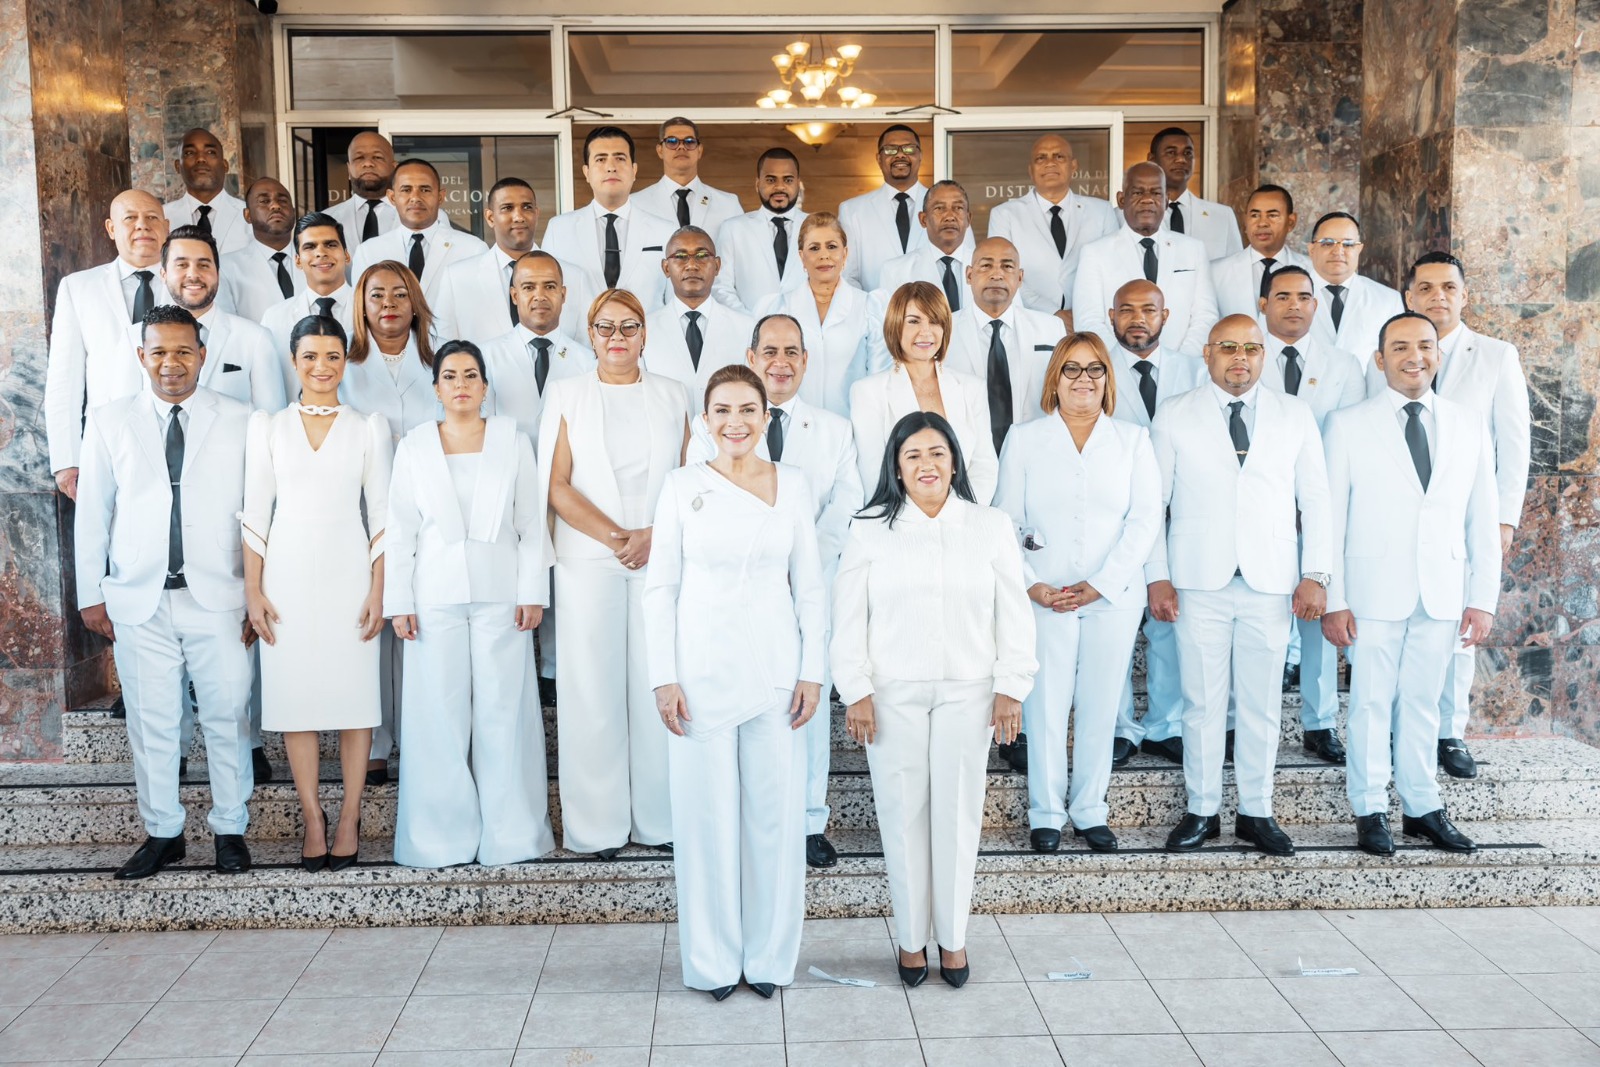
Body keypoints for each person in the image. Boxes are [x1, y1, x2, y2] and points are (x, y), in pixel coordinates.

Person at [833, 410, 1036, 989]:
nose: (927, 465)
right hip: (891, 693)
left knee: (957, 815)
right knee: (902, 816)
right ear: (896, 467)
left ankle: (953, 937)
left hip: (969, 692)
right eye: (913, 455)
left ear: (954, 462)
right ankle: (909, 939)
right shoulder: (869, 528)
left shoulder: (989, 525)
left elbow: (1013, 611)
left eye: (937, 453)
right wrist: (856, 690)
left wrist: (1011, 686)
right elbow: (848, 617)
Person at [646, 363, 826, 1000]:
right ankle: (713, 963)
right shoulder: (680, 486)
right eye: (722, 410)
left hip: (777, 673)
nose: (735, 422)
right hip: (699, 674)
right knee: (707, 821)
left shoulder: (793, 485)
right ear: (705, 420)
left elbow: (810, 587)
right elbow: (660, 588)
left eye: (747, 409)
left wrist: (813, 670)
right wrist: (663, 677)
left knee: (774, 820)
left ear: (766, 416)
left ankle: (769, 959)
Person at [74, 305, 256, 879]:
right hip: (139, 597)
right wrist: (91, 592)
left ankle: (231, 828)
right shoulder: (109, 420)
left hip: (220, 595)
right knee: (151, 721)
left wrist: (257, 593)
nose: (171, 363)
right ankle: (163, 832)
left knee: (228, 713)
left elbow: (258, 514)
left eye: (183, 351)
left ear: (202, 354)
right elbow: (93, 510)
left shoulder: (242, 418)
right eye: (158, 352)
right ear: (141, 356)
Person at [1147, 315, 1332, 857]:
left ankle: (1257, 811)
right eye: (1227, 347)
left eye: (1251, 348)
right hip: (1197, 581)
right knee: (1201, 703)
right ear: (1207, 354)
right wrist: (1157, 575)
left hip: (1270, 582)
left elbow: (1317, 500)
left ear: (1263, 355)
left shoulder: (1295, 415)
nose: (1240, 358)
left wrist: (1316, 574)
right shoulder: (1174, 413)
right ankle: (1201, 810)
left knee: (1261, 704)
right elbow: (1153, 504)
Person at [685, 314, 863, 868]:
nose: (780, 362)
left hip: (809, 583)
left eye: (791, 352)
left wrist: (798, 556)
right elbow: (701, 500)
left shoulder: (835, 429)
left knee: (804, 701)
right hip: (735, 591)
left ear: (806, 361)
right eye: (769, 351)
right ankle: (744, 818)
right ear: (752, 357)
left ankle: (809, 820)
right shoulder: (710, 426)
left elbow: (847, 505)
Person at [1323, 311, 1500, 856]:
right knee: (1370, 703)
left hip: (1442, 588)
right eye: (1399, 347)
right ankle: (1370, 808)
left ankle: (1422, 806)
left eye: (1424, 345)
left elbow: (1482, 516)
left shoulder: (1468, 423)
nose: (1414, 356)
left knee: (1424, 702)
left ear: (1438, 355)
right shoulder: (1347, 424)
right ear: (1380, 359)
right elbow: (1331, 519)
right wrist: (1334, 597)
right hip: (1372, 591)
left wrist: (1482, 598)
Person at [386, 340, 556, 867]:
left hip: (502, 595)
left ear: (485, 386)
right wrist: (399, 600)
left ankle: (512, 835)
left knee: (504, 713)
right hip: (433, 596)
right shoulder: (414, 446)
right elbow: (400, 529)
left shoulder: (512, 440)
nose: (460, 384)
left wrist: (533, 591)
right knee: (437, 715)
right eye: (450, 376)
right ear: (436, 388)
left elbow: (531, 522)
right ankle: (439, 838)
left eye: (470, 375)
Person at [537, 288, 691, 857]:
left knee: (657, 683)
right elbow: (556, 485)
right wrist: (616, 537)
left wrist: (653, 536)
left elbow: (688, 478)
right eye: (606, 327)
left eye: (629, 326)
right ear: (591, 334)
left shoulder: (674, 394)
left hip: (659, 553)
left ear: (645, 334)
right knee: (591, 692)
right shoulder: (567, 393)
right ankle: (596, 826)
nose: (617, 337)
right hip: (588, 559)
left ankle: (660, 820)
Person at [994, 332, 1161, 854]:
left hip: (1113, 597)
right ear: (1055, 379)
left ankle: (1090, 810)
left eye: (1094, 369)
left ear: (1108, 379)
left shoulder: (1133, 440)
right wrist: (1032, 583)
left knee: (1101, 705)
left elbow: (1144, 520)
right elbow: (1005, 519)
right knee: (1045, 707)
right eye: (1071, 368)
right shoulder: (1024, 439)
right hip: (1046, 597)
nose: (1083, 379)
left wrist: (1100, 584)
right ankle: (1045, 812)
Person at [242, 315, 392, 871]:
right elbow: (255, 514)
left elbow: (383, 517)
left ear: (346, 360)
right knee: (295, 702)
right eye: (310, 356)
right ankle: (312, 816)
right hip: (284, 579)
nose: (322, 367)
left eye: (332, 356)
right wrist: (253, 590)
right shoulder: (267, 427)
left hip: (350, 576)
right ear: (293, 360)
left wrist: (380, 590)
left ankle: (350, 815)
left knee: (356, 701)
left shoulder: (368, 427)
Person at [1384, 251, 1530, 780]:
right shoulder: (1387, 352)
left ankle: (1449, 732)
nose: (1437, 296)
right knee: (1400, 620)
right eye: (1425, 287)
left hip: (1467, 515)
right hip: (1399, 515)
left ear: (1465, 295)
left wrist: (1503, 519)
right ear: (1409, 296)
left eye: (1448, 287)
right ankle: (1401, 727)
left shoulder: (1495, 356)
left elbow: (1514, 442)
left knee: (1460, 627)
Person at [1257, 264, 1365, 764]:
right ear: (1264, 304)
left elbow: (1349, 437)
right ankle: (1241, 722)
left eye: (1304, 297)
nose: (1294, 306)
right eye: (1282, 296)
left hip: (1321, 511)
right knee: (1255, 621)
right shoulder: (1244, 354)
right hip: (1259, 513)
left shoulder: (1342, 364)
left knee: (1317, 619)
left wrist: (1316, 505)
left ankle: (1319, 724)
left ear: (1316, 305)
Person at [339, 260, 439, 784]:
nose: (388, 304)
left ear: (415, 302)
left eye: (400, 294)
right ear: (361, 304)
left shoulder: (439, 361)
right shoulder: (344, 366)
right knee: (375, 624)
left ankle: (418, 737)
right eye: (376, 295)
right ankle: (376, 741)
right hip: (364, 514)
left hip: (429, 512)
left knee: (419, 624)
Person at [1103, 280, 1206, 767]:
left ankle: (1166, 725)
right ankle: (1119, 726)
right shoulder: (1096, 368)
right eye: (1126, 310)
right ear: (1111, 316)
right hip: (1115, 517)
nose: (1138, 318)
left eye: (1149, 309)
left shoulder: (1195, 369)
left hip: (1177, 514)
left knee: (1167, 624)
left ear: (1167, 316)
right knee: (1118, 627)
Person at [44, 189, 171, 496]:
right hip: (107, 443)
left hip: (178, 436)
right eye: (130, 218)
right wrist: (66, 460)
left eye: (152, 217)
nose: (142, 225)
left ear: (166, 227)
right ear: (111, 229)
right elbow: (64, 379)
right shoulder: (79, 287)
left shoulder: (190, 283)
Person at [850, 281, 998, 504]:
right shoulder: (867, 392)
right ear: (895, 325)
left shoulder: (971, 388)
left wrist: (956, 514)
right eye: (914, 321)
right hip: (898, 517)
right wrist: (922, 517)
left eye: (935, 321)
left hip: (964, 516)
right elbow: (874, 474)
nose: (926, 331)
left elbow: (984, 466)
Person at [1073, 163, 1219, 360]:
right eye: (1138, 192)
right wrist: (1125, 362)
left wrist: (1179, 362)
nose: (1147, 199)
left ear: (1166, 201)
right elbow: (1088, 320)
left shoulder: (1193, 250)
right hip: (1117, 369)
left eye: (1156, 193)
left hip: (1182, 368)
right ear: (1121, 199)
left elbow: (1206, 316)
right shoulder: (1095, 253)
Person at [431, 177, 596, 346]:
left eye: (527, 207)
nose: (518, 217)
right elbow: (443, 347)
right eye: (507, 208)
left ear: (536, 214)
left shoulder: (574, 277)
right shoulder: (457, 277)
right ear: (490, 217)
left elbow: (588, 346)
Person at [946, 236, 1065, 452]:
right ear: (969, 275)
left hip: (1036, 452)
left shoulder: (1051, 328)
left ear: (1019, 278)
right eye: (986, 265)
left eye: (1007, 266)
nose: (997, 274)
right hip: (965, 454)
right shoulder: (944, 331)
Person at [147, 225, 286, 412]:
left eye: (203, 265)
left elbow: (272, 418)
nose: (193, 275)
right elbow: (126, 417)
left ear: (218, 274)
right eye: (182, 265)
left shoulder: (256, 339)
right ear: (163, 274)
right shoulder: (134, 338)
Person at [987, 133, 1118, 323]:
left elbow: (1111, 270)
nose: (1050, 163)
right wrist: (1053, 313)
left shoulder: (1102, 211)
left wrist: (1083, 314)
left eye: (1059, 156)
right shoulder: (1005, 215)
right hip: (1031, 321)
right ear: (1031, 170)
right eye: (1041, 158)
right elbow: (1003, 274)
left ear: (1073, 166)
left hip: (1090, 322)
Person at [753, 213, 873, 418]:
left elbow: (878, 378)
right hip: (791, 425)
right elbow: (758, 377)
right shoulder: (775, 307)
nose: (824, 255)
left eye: (832, 246)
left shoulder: (869, 307)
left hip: (853, 424)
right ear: (801, 256)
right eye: (814, 248)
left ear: (845, 253)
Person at [541, 127, 676, 305]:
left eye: (620, 158)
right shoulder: (558, 230)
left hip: (647, 324)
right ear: (586, 172)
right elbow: (547, 294)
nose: (611, 167)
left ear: (634, 170)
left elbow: (675, 300)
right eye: (601, 159)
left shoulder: (666, 231)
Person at [839, 126, 972, 292]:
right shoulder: (852, 210)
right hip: (877, 307)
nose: (900, 155)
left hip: (936, 307)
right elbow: (848, 275)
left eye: (909, 149)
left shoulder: (951, 207)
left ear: (920, 156)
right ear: (878, 158)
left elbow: (967, 263)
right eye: (890, 149)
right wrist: (872, 307)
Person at [482, 251, 598, 440]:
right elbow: (481, 428)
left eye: (550, 287)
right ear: (514, 295)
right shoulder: (486, 356)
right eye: (529, 287)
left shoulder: (589, 362)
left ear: (563, 294)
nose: (540, 296)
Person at [351, 158, 487, 305]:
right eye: (406, 190)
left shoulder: (473, 249)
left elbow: (482, 308)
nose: (415, 198)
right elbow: (359, 309)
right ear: (392, 197)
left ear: (440, 196)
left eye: (425, 190)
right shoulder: (368, 252)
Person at [645, 227, 755, 402]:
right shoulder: (644, 329)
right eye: (680, 256)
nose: (692, 265)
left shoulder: (746, 327)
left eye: (702, 255)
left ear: (717, 265)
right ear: (666, 268)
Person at [262, 212, 356, 400]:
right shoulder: (274, 318)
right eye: (310, 247)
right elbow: (269, 383)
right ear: (297, 260)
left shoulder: (370, 310)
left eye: (330, 244)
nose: (321, 253)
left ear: (346, 255)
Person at [711, 147, 807, 313]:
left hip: (806, 326)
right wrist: (751, 322)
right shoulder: (733, 229)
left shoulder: (817, 227)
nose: (780, 187)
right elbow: (721, 287)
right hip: (749, 326)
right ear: (757, 184)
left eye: (788, 180)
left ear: (798, 184)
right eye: (770, 180)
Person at [1304, 211, 1403, 358]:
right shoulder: (1285, 295)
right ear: (1311, 249)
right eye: (1328, 243)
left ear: (1359, 249)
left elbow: (1398, 355)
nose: (1338, 251)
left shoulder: (1388, 300)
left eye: (1348, 244)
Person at [874, 180, 974, 314]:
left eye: (958, 208)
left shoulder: (988, 268)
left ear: (968, 219)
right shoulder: (895, 271)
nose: (950, 217)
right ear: (923, 219)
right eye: (939, 208)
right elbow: (892, 325)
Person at [1211, 183, 1309, 319]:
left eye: (1272, 215)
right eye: (1255, 215)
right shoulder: (1215, 272)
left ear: (1291, 222)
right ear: (1245, 220)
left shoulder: (1313, 270)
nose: (1262, 223)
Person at [633, 117, 744, 235]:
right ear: (660, 150)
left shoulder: (728, 205)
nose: (681, 147)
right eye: (672, 141)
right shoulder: (635, 204)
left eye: (689, 141)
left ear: (699, 150)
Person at [1149, 126, 1242, 260]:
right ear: (1152, 160)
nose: (1181, 159)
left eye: (1188, 153)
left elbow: (1235, 266)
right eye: (1171, 153)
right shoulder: (1128, 215)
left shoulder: (1222, 216)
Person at [218, 177, 302, 322]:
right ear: (247, 215)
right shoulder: (226, 267)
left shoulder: (315, 260)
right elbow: (227, 325)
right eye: (264, 201)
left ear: (294, 212)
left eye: (282, 200)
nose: (275, 205)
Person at [163, 128, 249, 256]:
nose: (201, 159)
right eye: (189, 153)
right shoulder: (162, 216)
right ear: (177, 166)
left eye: (210, 152)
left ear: (225, 165)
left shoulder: (249, 216)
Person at [325, 131, 401, 255]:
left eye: (377, 157)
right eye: (359, 158)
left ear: (394, 167)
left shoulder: (418, 216)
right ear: (349, 169)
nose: (368, 163)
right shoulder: (327, 219)